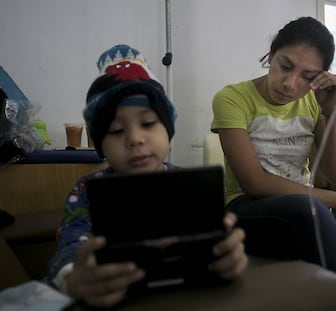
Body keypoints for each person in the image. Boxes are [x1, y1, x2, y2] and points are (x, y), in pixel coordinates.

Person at [44, 45, 248, 308]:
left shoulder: (190, 187)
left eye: (148, 123)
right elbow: (71, 245)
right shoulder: (86, 191)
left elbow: (214, 241)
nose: (135, 139)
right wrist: (73, 279)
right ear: (100, 145)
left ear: (168, 130)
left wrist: (229, 255)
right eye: (116, 130)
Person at [210, 16, 336, 311]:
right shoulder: (232, 98)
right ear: (271, 55)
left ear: (320, 77)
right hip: (245, 211)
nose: (291, 84)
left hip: (303, 213)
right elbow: (254, 182)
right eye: (285, 66)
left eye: (307, 76)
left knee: (313, 217)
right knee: (313, 210)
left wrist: (332, 112)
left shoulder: (315, 102)